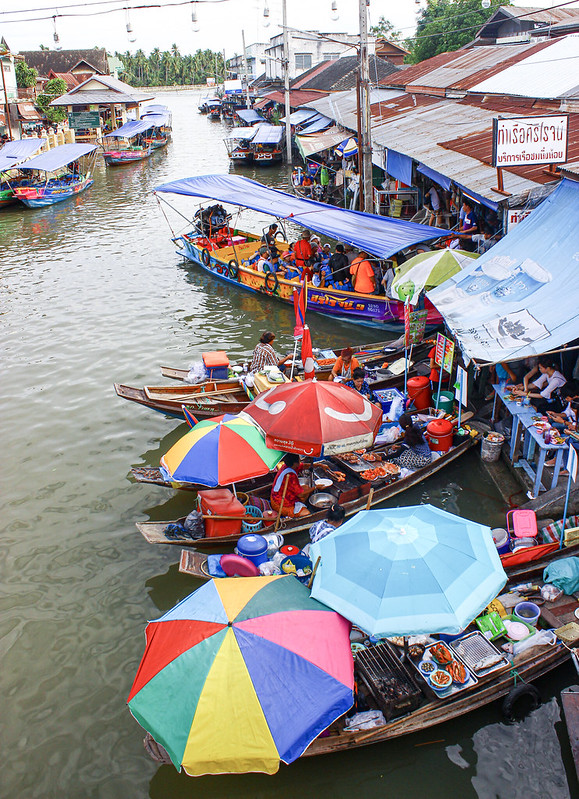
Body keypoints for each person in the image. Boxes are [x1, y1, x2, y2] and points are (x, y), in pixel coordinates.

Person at [270, 453, 314, 517]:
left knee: (306, 488)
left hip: (276, 496)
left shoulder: (286, 466)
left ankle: (301, 505)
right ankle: (298, 510)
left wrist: (319, 465)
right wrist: (315, 487)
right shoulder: (290, 475)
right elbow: (300, 494)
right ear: (295, 463)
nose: (300, 461)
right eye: (299, 460)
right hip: (280, 504)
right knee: (306, 513)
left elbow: (303, 466)